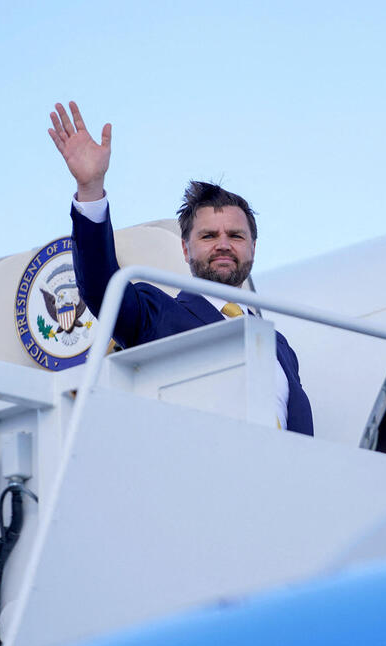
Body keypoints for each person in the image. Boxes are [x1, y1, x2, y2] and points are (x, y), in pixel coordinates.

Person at [48, 101, 314, 435]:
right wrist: (90, 190)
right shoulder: (157, 315)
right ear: (185, 248)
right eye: (208, 235)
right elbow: (102, 288)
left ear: (252, 248)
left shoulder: (280, 347)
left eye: (235, 235)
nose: (223, 244)